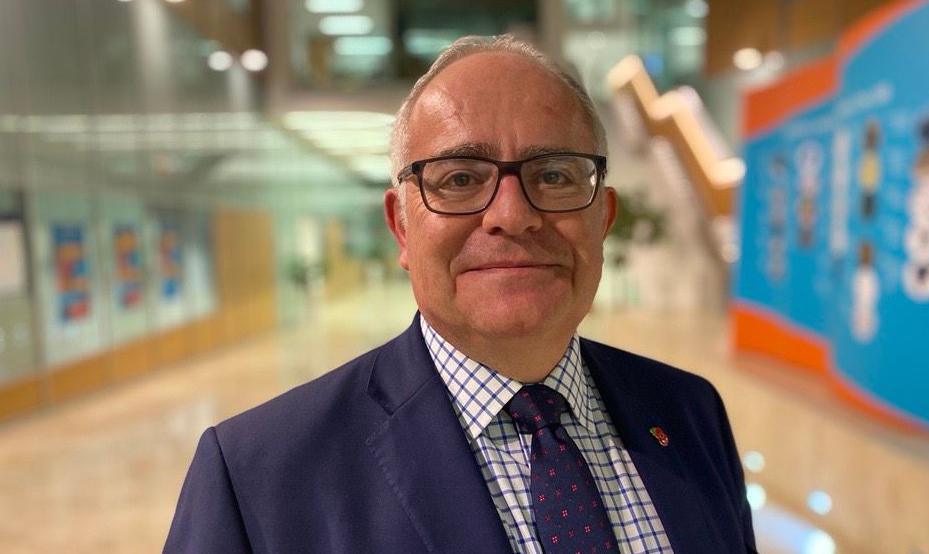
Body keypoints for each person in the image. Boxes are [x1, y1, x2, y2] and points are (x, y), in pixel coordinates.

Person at [165, 35, 756, 554]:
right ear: (401, 226)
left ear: (603, 217)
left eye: (553, 175)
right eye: (459, 179)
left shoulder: (690, 411)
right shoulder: (258, 476)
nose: (512, 215)